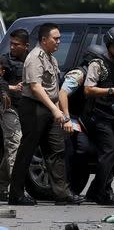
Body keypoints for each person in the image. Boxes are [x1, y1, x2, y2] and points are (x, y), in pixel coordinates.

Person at [9, 23, 85, 205]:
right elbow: (36, 88)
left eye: (59, 38)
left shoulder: (52, 59)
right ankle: (16, 194)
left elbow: (53, 90)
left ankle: (62, 193)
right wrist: (54, 109)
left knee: (56, 150)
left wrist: (61, 114)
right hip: (34, 108)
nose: (59, 42)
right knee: (27, 151)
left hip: (50, 109)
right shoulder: (34, 57)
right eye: (55, 38)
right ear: (44, 40)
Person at [82, 26, 114, 205]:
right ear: (109, 45)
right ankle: (103, 192)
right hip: (99, 115)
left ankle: (96, 190)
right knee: (108, 153)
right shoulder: (97, 64)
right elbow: (88, 90)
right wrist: (112, 90)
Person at [58, 44, 106, 190]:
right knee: (77, 149)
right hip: (70, 118)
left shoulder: (94, 77)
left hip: (83, 120)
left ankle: (75, 188)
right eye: (99, 62)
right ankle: (67, 188)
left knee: (85, 151)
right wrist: (66, 118)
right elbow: (63, 94)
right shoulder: (79, 74)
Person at [0, 29, 29, 201]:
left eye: (16, 44)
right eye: (11, 43)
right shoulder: (4, 60)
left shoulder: (33, 59)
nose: (12, 47)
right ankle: (16, 190)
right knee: (14, 144)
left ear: (26, 46)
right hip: (8, 109)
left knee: (14, 149)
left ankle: (2, 185)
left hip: (26, 110)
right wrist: (9, 89)